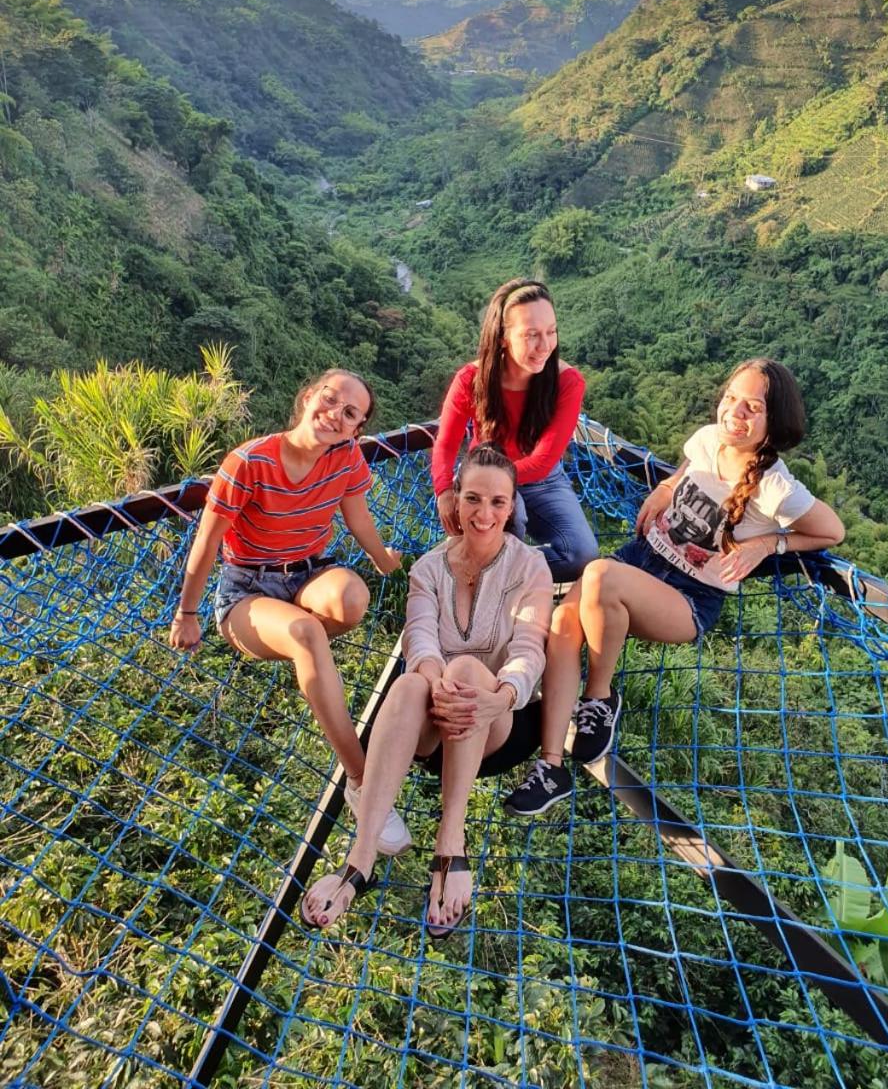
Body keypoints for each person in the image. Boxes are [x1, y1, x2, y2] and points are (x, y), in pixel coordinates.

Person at [503, 357, 846, 816]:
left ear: (775, 420)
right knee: (564, 620)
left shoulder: (775, 487)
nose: (735, 413)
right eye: (731, 398)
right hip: (641, 559)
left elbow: (832, 531)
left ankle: (599, 699)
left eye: (753, 407)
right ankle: (551, 768)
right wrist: (666, 489)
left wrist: (769, 544)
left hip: (689, 599)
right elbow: (684, 469)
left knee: (598, 575)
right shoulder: (708, 439)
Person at [301, 444, 553, 939]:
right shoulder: (428, 568)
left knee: (468, 668)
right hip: (430, 727)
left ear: (511, 508)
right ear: (456, 498)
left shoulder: (531, 568)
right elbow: (420, 638)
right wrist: (437, 682)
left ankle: (450, 840)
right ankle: (360, 859)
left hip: (498, 721)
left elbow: (529, 647)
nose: (484, 514)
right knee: (411, 681)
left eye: (498, 502)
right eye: (473, 498)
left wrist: (501, 695)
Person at [168, 368, 410, 855]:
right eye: (330, 399)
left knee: (353, 598)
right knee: (305, 633)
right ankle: (363, 784)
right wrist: (186, 614)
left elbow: (357, 515)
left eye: (350, 413)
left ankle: (307, 659)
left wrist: (386, 561)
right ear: (309, 396)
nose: (335, 415)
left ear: (357, 428)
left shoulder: (345, 456)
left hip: (308, 573)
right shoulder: (249, 461)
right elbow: (207, 543)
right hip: (245, 589)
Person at [431, 278, 599, 584]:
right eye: (532, 335)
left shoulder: (567, 382)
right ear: (502, 338)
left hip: (543, 479)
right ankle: (492, 576)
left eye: (551, 332)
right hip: (483, 473)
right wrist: (444, 491)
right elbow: (446, 443)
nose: (545, 346)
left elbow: (543, 461)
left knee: (581, 555)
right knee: (512, 518)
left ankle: (493, 572)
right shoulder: (472, 379)